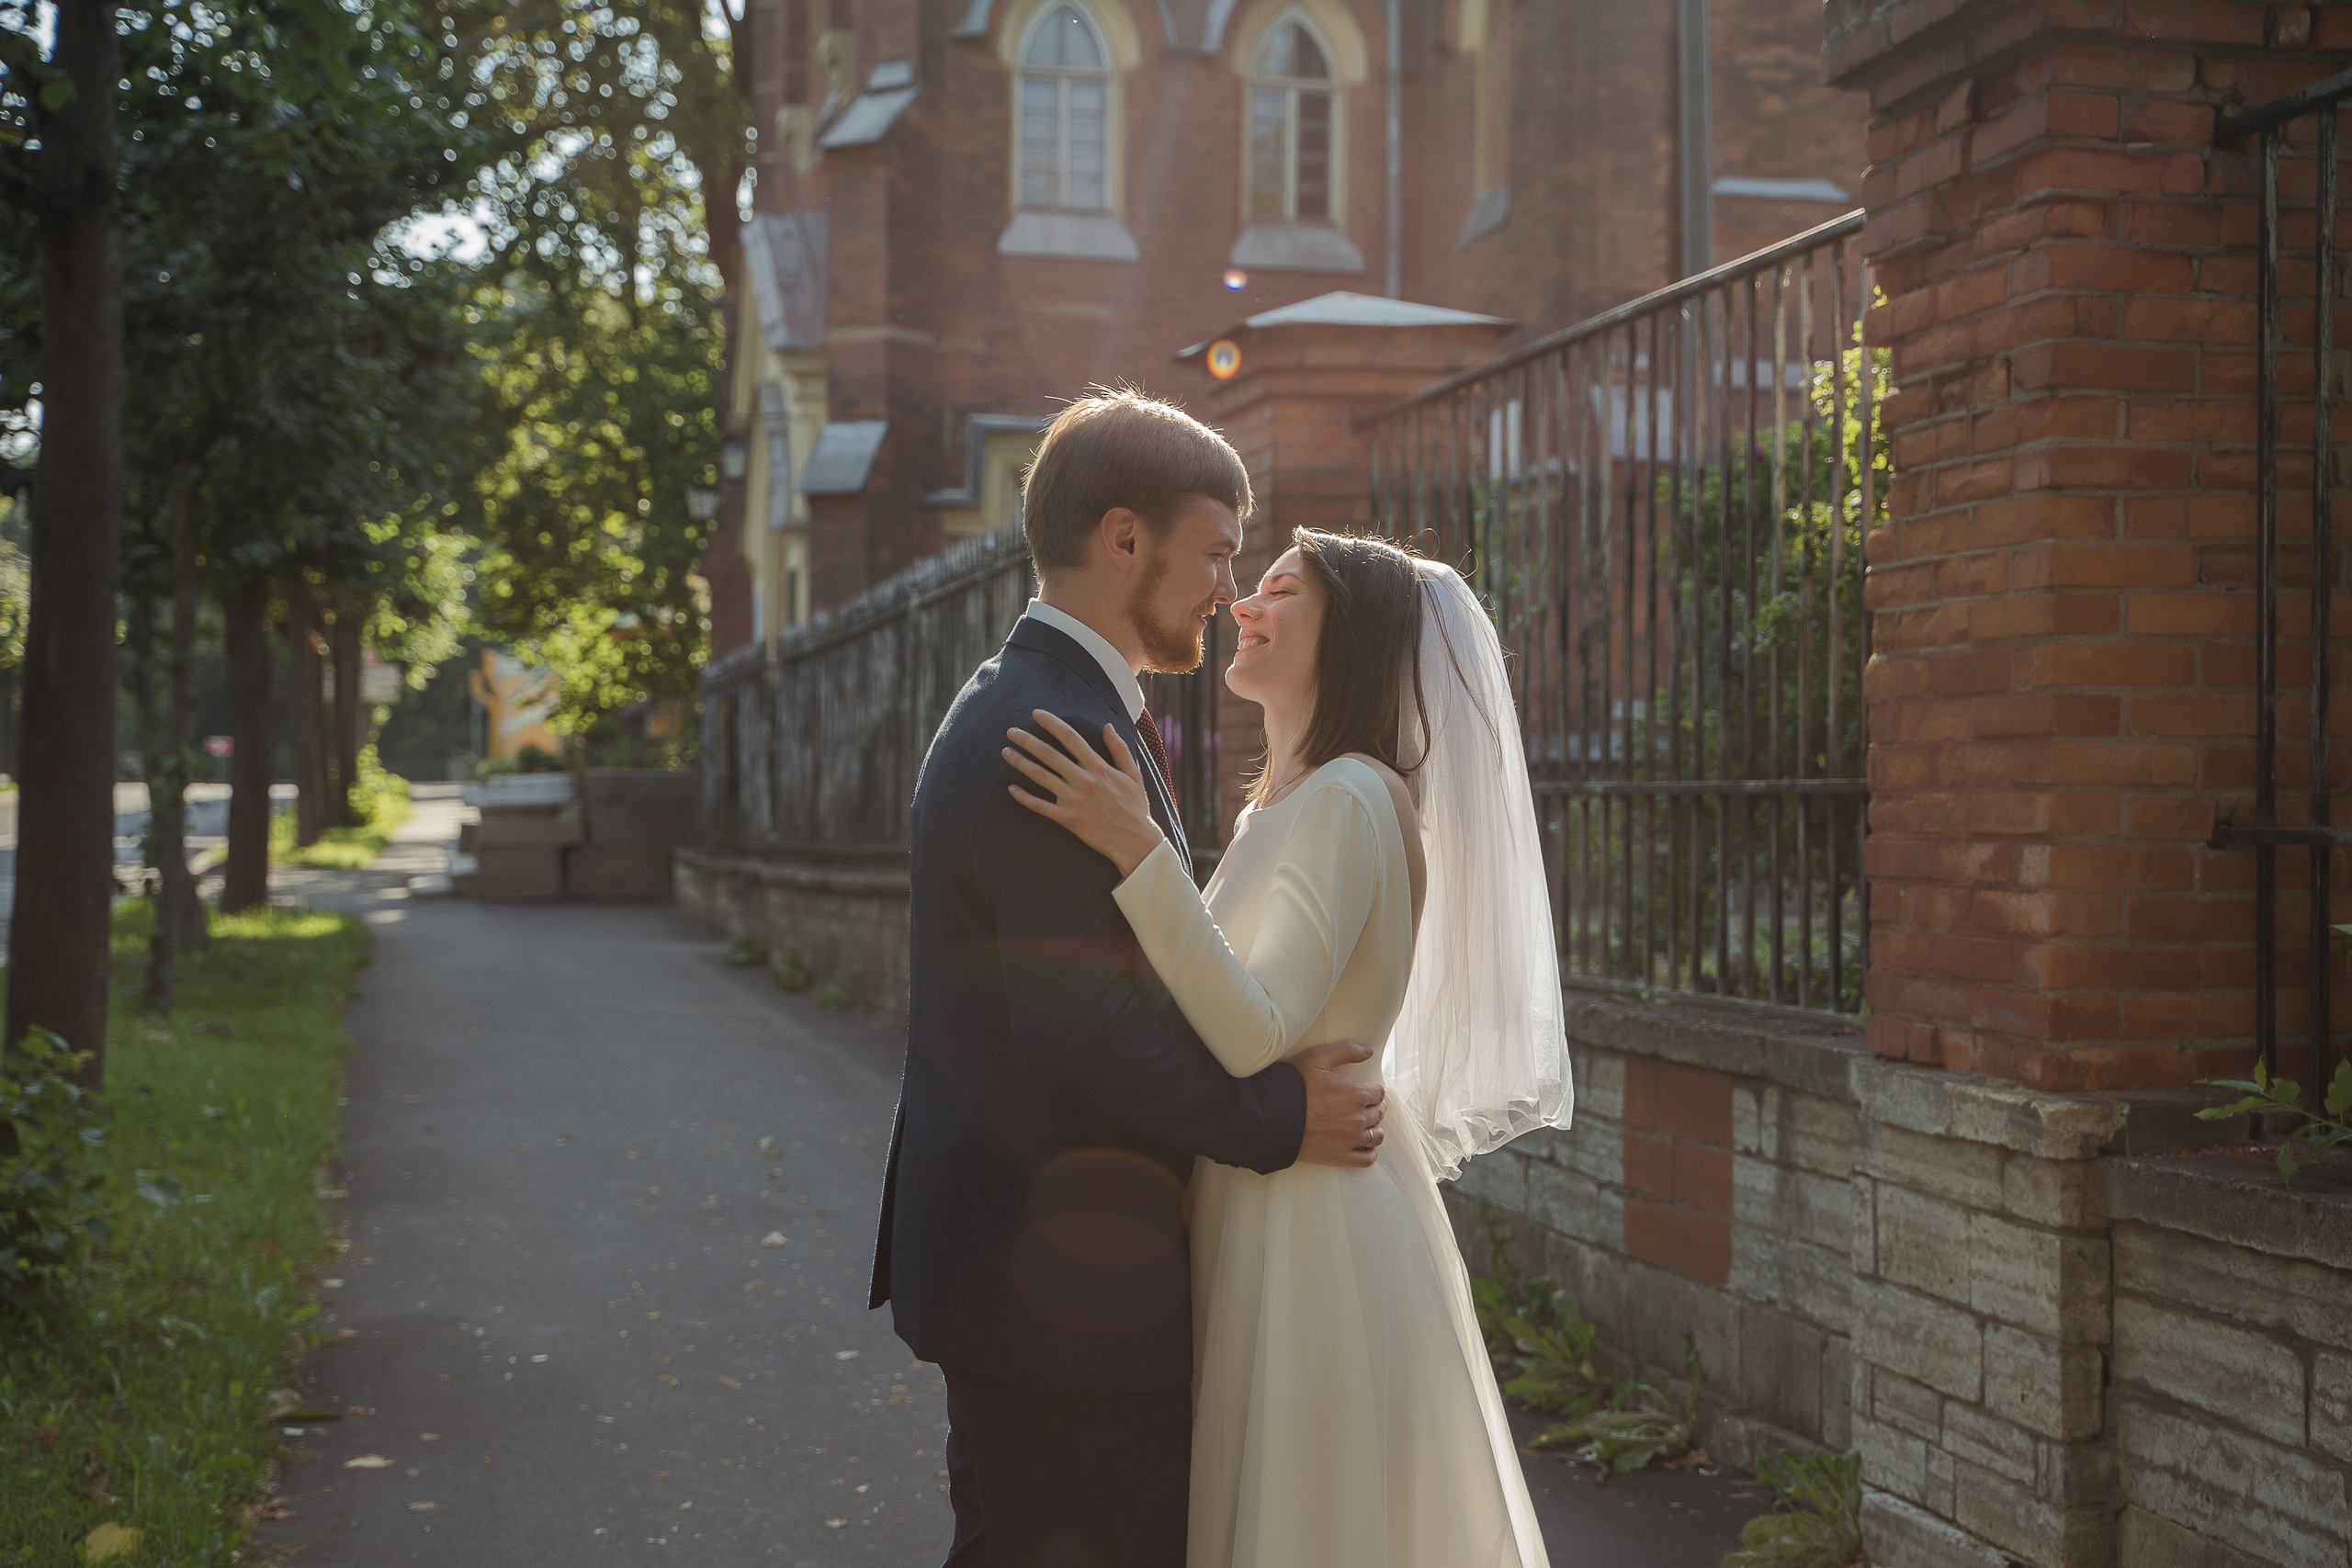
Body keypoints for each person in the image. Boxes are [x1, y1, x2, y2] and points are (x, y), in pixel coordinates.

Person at [867, 389, 1394, 1568]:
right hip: (1056, 1288)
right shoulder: (1053, 727)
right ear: (1122, 540)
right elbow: (1086, 1028)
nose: (1228, 587)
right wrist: (1280, 1118)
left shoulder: (1038, 696)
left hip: (1026, 1270)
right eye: (1215, 550)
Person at [1001, 527, 1573, 1568]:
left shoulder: (1352, 796)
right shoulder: (1296, 800)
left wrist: (1134, 846)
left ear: (1347, 636)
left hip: (1312, 1224)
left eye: (1277, 588)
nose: (1243, 604)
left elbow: (1254, 1027)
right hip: (1271, 1199)